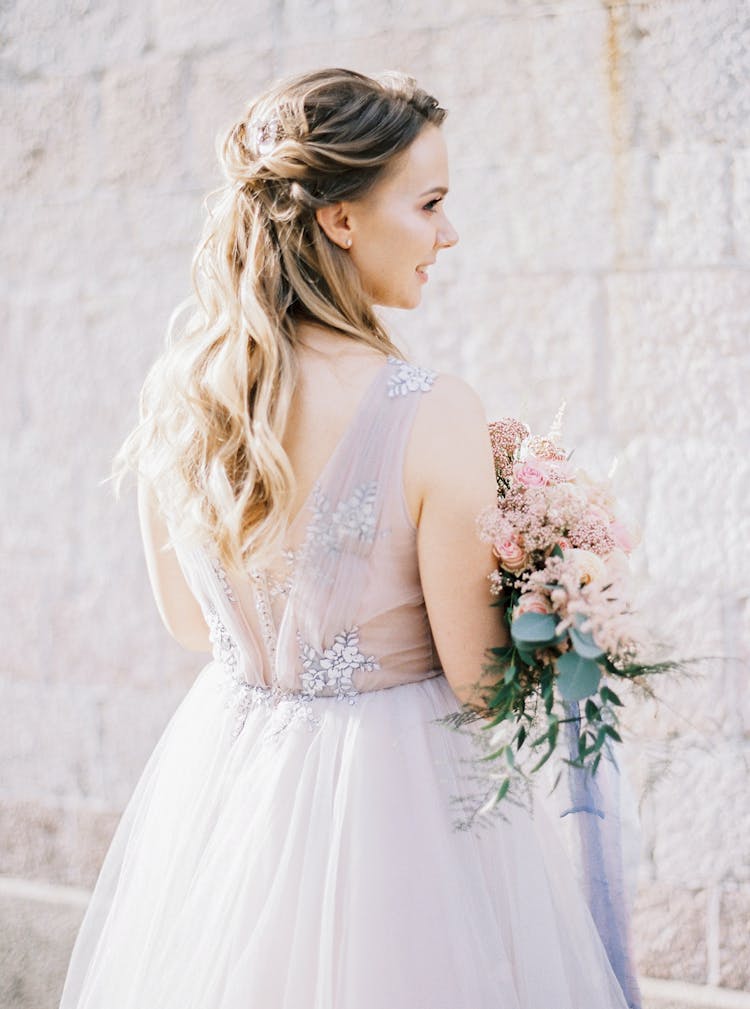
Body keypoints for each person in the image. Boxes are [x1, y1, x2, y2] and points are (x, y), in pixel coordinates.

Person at [59, 68, 636, 1008]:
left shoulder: (188, 391)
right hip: (400, 813)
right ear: (340, 219)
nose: (449, 234)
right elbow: (480, 685)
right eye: (431, 203)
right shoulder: (432, 412)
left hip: (231, 783)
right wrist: (558, 596)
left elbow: (184, 622)